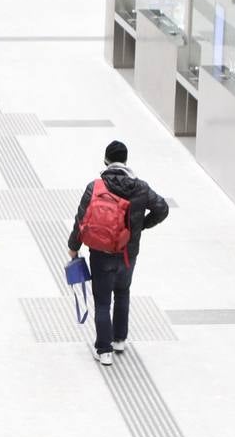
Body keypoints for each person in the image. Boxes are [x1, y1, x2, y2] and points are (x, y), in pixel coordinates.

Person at [66, 141, 169, 366]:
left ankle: (104, 351)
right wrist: (140, 225)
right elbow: (162, 208)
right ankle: (119, 339)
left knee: (103, 302)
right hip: (128, 253)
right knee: (122, 292)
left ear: (106, 160)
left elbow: (80, 219)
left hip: (101, 254)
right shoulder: (140, 187)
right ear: (126, 161)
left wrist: (74, 247)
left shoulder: (95, 186)